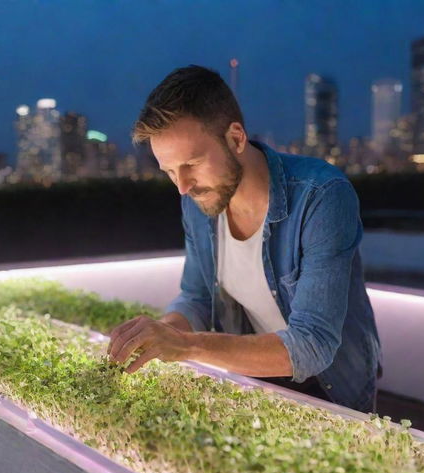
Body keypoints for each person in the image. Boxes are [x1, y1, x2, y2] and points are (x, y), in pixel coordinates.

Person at [107, 65, 382, 413]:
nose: (182, 186)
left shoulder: (322, 195)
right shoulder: (197, 201)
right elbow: (196, 298)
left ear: (236, 138)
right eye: (170, 171)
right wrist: (160, 335)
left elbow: (312, 345)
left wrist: (187, 346)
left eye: (192, 163)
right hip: (254, 378)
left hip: (334, 387)